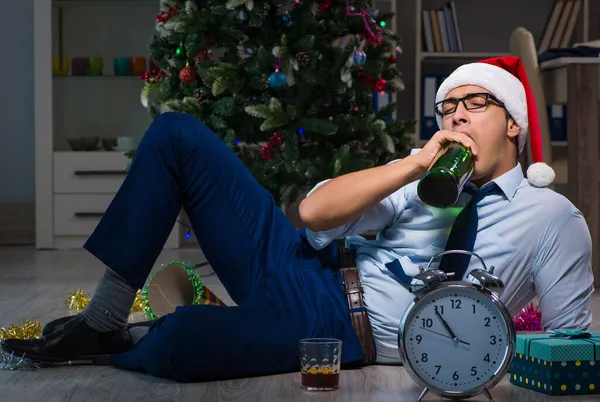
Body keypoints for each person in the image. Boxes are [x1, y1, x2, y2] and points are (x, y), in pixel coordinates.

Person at [1, 56, 593, 381]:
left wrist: (474, 355)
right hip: (298, 261)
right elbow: (312, 213)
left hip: (339, 321)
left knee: (181, 343)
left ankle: (170, 327)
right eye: (446, 106)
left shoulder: (551, 217)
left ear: (512, 122)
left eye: (474, 104)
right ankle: (103, 320)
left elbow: (574, 341)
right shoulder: (419, 173)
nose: (456, 116)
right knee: (176, 134)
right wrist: (413, 165)